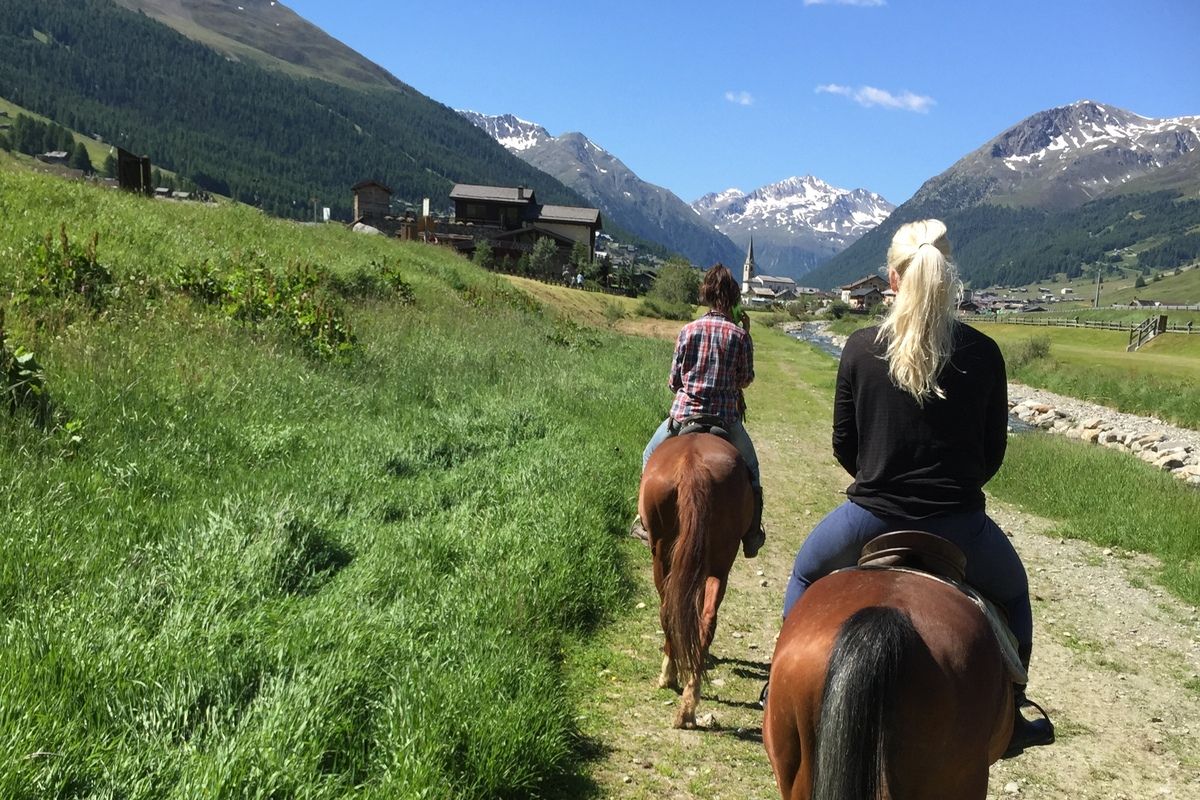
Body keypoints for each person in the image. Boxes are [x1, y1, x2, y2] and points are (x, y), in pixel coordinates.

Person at [780, 219, 1053, 755]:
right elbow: (991, 453)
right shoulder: (984, 353)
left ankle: (779, 685)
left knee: (805, 573)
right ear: (950, 277)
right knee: (1015, 595)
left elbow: (844, 444)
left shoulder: (860, 348)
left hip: (869, 519)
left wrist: (878, 477)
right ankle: (1015, 710)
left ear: (891, 277)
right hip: (959, 527)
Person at [631, 263, 766, 558]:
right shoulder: (739, 336)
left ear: (705, 294)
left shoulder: (688, 330)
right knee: (752, 470)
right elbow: (745, 379)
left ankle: (644, 522)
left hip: (683, 417)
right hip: (725, 421)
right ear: (732, 297)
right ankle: (753, 533)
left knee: (648, 456)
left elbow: (673, 381)